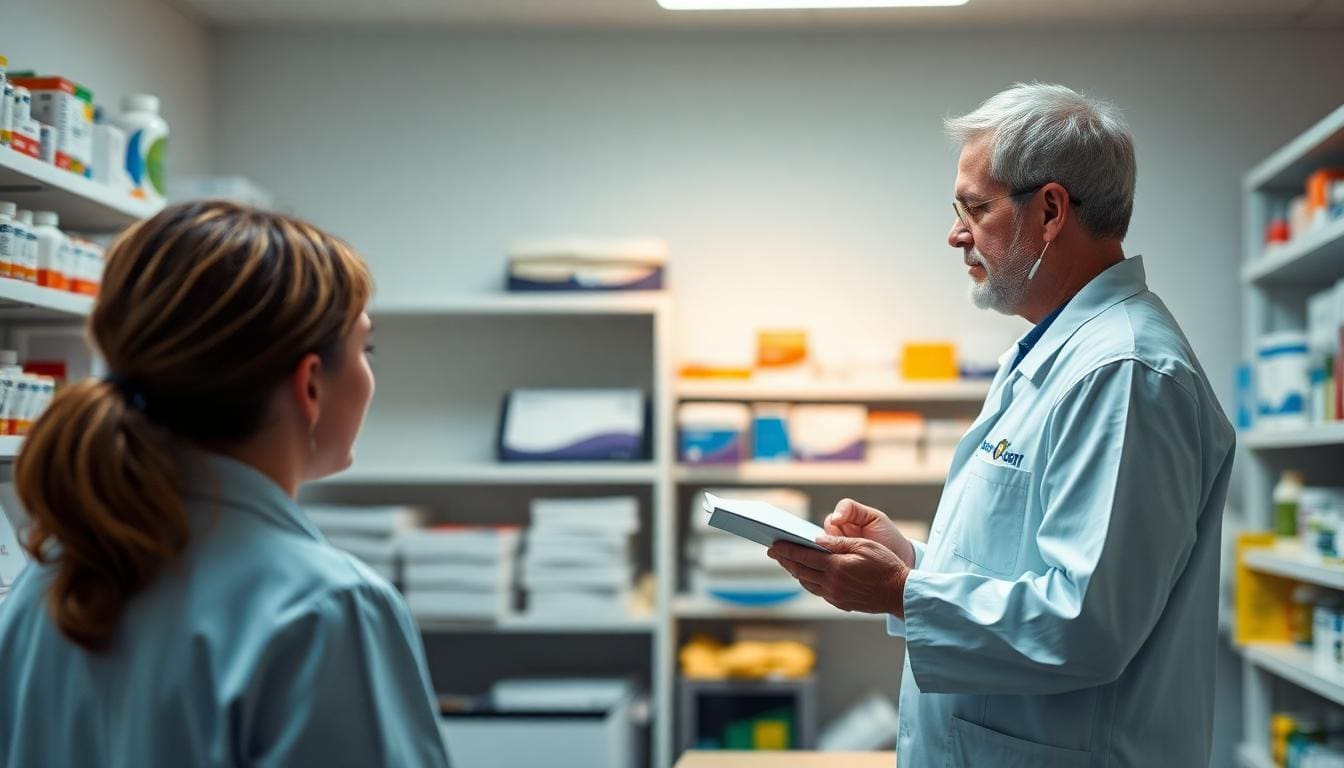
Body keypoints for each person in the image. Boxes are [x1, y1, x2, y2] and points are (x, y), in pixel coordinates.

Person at [767, 83, 1235, 767]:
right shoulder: (1054, 354)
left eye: (975, 208)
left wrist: (901, 592)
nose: (956, 233)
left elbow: (1087, 627)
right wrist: (913, 563)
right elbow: (1025, 572)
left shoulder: (1126, 372)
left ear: (1050, 211)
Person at [0, 201, 452, 767]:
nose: (369, 371)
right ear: (310, 384)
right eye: (365, 348)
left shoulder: (48, 581)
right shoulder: (325, 608)